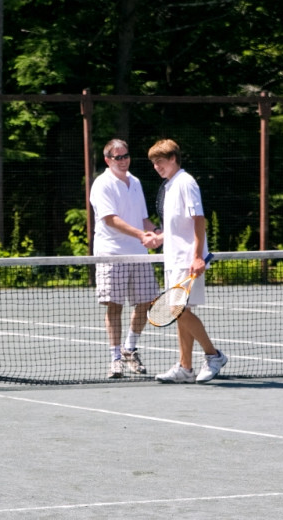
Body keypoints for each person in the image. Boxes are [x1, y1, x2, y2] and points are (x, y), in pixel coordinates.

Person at [143, 139, 227, 384]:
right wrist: (158, 237)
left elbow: (198, 219)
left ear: (173, 159)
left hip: (187, 260)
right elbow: (178, 227)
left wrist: (198, 256)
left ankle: (214, 356)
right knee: (181, 312)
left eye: (160, 161)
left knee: (175, 310)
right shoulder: (170, 186)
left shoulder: (186, 182)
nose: (156, 166)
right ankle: (185, 367)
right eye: (153, 163)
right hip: (173, 260)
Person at [89, 138, 162, 378]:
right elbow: (111, 219)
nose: (123, 161)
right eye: (117, 157)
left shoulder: (136, 182)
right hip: (111, 253)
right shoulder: (102, 184)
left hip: (139, 254)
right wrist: (144, 235)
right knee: (114, 306)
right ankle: (115, 358)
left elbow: (142, 219)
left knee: (147, 302)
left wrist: (159, 232)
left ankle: (130, 348)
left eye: (126, 156)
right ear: (107, 160)